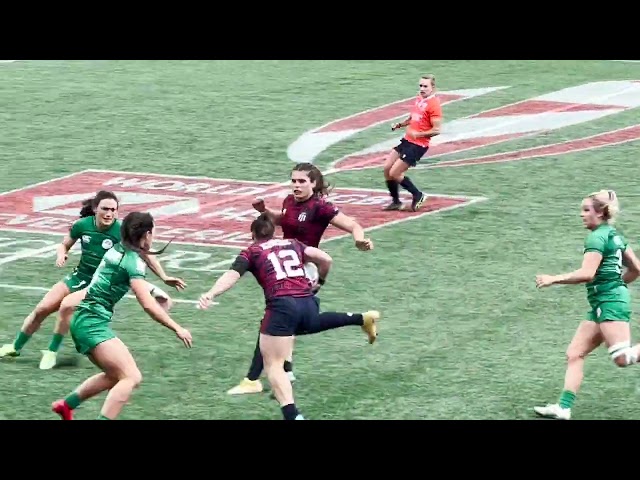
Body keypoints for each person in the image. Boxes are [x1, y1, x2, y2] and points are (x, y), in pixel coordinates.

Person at [198, 214, 379, 420]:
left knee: (274, 365)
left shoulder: (252, 251)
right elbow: (326, 259)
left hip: (282, 306)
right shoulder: (293, 244)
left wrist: (211, 293)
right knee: (306, 326)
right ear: (273, 232)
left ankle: (292, 415)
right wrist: (320, 280)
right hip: (307, 301)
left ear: (252, 234)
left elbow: (232, 275)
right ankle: (362, 319)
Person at [227, 162, 374, 395]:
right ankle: (359, 320)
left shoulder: (321, 207)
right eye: (293, 180)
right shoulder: (289, 201)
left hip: (305, 267)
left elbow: (352, 224)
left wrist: (359, 239)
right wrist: (264, 210)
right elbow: (281, 219)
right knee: (293, 322)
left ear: (314, 184)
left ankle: (252, 379)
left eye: (301, 181)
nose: (296, 185)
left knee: (275, 320)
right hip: (287, 263)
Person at [0, 191, 186, 369]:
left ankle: (51, 351)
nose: (109, 213)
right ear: (95, 208)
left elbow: (144, 253)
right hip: (79, 276)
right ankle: (15, 347)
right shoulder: (82, 225)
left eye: (113, 210)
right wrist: (62, 254)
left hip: (97, 284)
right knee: (42, 308)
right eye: (105, 209)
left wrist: (164, 276)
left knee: (66, 307)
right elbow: (64, 244)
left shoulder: (121, 231)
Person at [51, 211, 193, 420]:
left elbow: (144, 254)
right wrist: (177, 328)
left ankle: (66, 406)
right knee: (131, 377)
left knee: (115, 375)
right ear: (146, 235)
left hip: (85, 319)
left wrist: (163, 278)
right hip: (92, 323)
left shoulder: (119, 246)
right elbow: (148, 306)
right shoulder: (132, 263)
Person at [533, 190, 640, 420]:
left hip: (609, 303)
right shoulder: (615, 235)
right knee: (575, 353)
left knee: (623, 358)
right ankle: (563, 408)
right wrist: (615, 285)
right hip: (603, 302)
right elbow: (636, 269)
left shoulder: (596, 237)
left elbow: (587, 273)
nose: (581, 215)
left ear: (600, 213)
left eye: (586, 210)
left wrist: (554, 279)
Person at [383, 73, 442, 212]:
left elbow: (437, 130)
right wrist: (400, 124)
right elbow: (413, 118)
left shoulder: (434, 105)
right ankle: (396, 202)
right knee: (387, 168)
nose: (422, 88)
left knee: (395, 173)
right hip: (407, 141)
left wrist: (419, 134)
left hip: (418, 145)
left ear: (432, 87)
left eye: (425, 86)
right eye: (420, 85)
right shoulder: (419, 99)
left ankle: (418, 194)